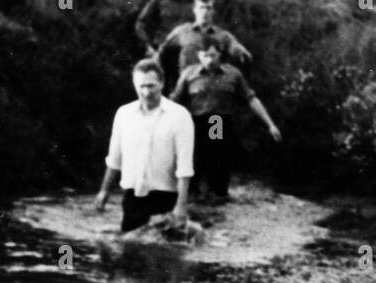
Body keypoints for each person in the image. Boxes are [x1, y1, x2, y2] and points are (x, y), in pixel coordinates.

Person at [171, 36, 281, 200]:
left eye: (212, 55)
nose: (209, 59)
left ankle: (218, 192)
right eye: (205, 55)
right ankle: (192, 193)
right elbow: (174, 99)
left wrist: (270, 124)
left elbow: (250, 98)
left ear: (220, 55)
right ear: (199, 55)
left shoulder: (232, 74)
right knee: (193, 156)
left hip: (218, 120)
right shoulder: (189, 73)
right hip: (195, 121)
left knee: (218, 155)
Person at [95, 59, 195, 235]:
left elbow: (185, 167)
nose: (146, 92)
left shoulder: (180, 116)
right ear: (134, 85)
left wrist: (181, 206)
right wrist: (104, 192)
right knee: (130, 252)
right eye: (141, 86)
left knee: (164, 255)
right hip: (133, 196)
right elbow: (114, 159)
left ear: (162, 83)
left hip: (166, 197)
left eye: (151, 86)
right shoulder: (124, 114)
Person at [157, 0, 250, 78]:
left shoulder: (223, 36)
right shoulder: (182, 32)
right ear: (194, 10)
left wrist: (240, 53)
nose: (205, 12)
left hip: (212, 85)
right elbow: (162, 52)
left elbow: (238, 50)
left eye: (208, 8)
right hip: (186, 85)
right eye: (201, 8)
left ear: (213, 11)